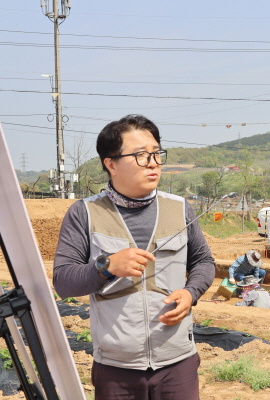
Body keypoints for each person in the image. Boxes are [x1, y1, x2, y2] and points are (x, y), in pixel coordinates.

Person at [53, 114, 216, 400]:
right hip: (115, 369)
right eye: (141, 155)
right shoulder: (84, 213)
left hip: (177, 363)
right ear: (111, 164)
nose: (153, 163)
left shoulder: (179, 209)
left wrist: (191, 292)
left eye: (156, 153)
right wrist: (106, 266)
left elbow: (203, 262)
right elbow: (63, 281)